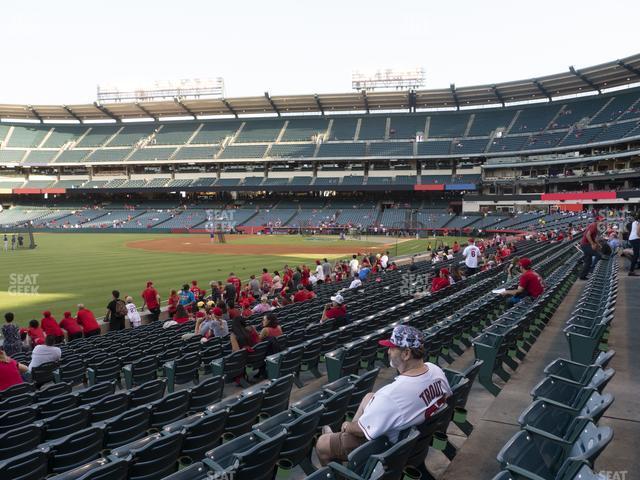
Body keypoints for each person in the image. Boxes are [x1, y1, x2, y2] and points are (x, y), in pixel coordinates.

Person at [315, 325, 451, 465]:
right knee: (369, 397)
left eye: (392, 348)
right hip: (415, 441)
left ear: (406, 354)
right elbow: (446, 397)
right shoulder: (436, 371)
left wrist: (347, 425)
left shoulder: (391, 395)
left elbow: (361, 431)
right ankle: (342, 438)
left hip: (387, 449)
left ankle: (339, 443)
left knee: (322, 443)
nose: (388, 351)